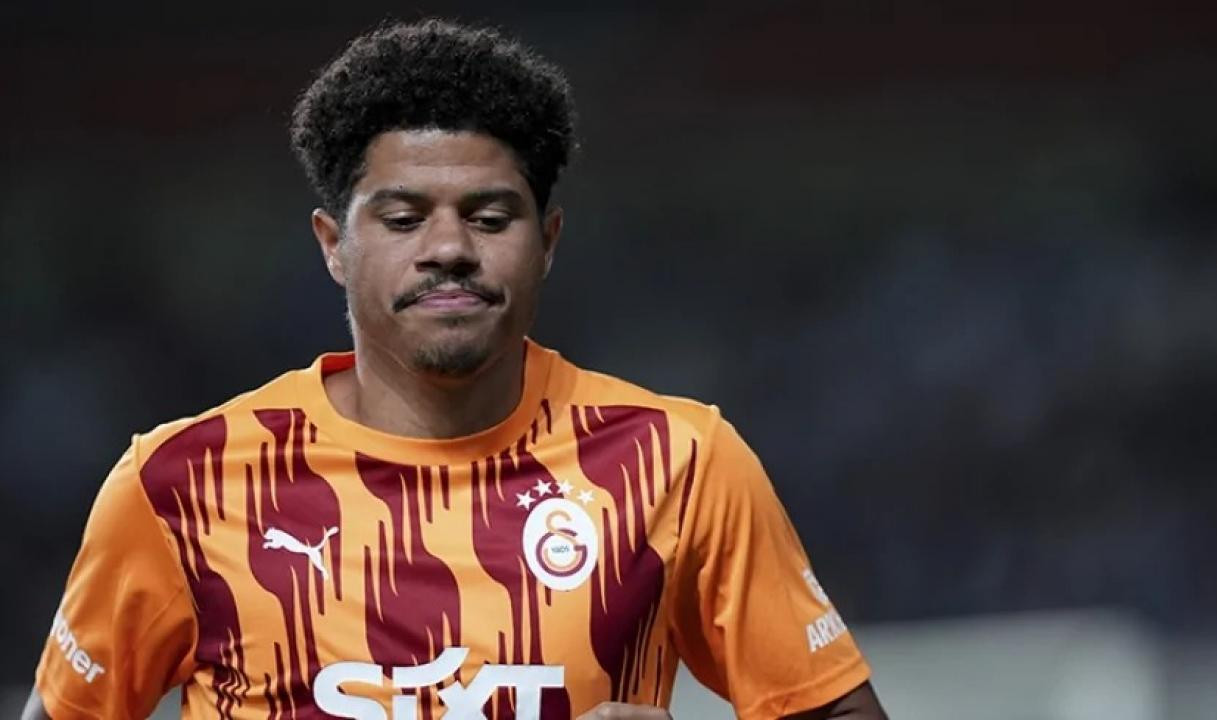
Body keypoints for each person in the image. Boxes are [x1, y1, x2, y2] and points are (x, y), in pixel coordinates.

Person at [24, 18, 886, 720]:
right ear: (333, 246)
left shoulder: (680, 464)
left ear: (547, 242)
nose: (448, 248)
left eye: (490, 217)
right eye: (403, 219)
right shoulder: (177, 485)